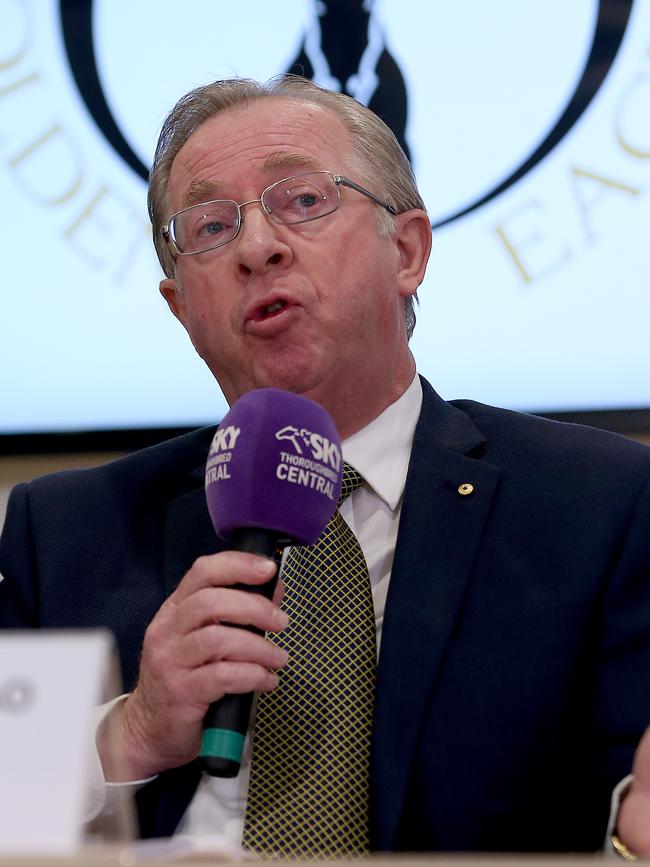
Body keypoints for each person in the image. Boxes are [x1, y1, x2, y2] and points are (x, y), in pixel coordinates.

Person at [2, 75, 650, 857]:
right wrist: (130, 734)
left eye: (303, 200)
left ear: (407, 251)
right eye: (210, 225)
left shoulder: (599, 503)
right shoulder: (63, 528)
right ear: (182, 308)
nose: (256, 246)